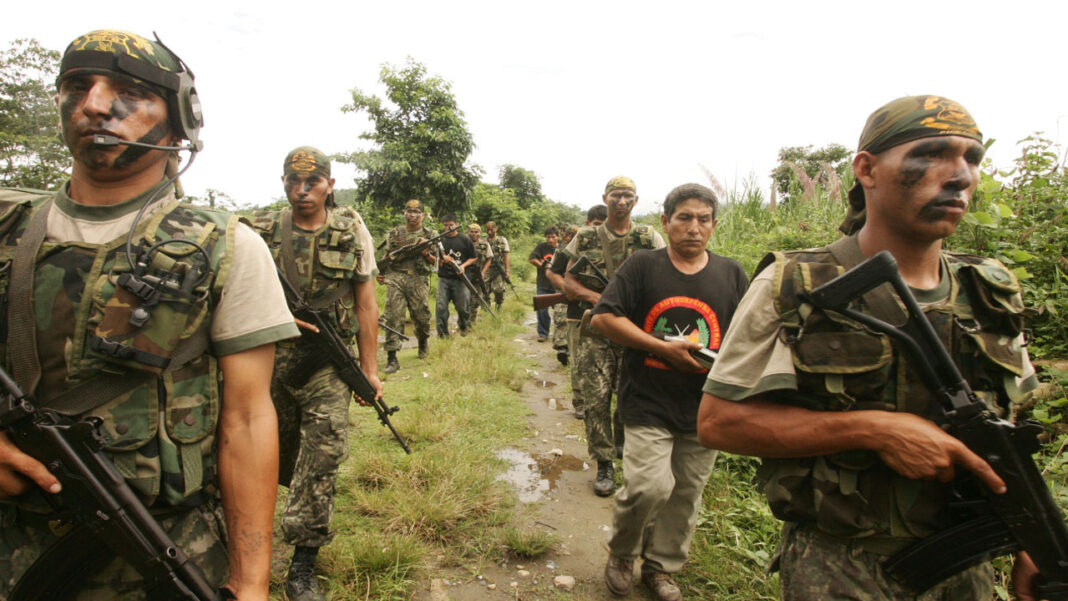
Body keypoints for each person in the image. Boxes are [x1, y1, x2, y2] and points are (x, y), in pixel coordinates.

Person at [697, 95, 1041, 601]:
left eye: (972, 158)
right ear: (867, 169)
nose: (959, 175)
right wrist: (873, 430)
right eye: (931, 154)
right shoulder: (796, 283)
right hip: (843, 565)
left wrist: (1034, 541)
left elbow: (1010, 435)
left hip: (967, 561)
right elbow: (718, 421)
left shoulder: (989, 290)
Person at [0, 30, 299, 601]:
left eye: (131, 92)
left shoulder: (226, 247)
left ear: (180, 119)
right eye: (77, 86)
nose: (94, 104)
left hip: (165, 546)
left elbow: (247, 419)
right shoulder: (7, 226)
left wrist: (253, 582)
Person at [593, 183, 747, 601]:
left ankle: (661, 567)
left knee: (686, 493)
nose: (693, 228)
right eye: (684, 218)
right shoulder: (643, 265)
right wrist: (661, 347)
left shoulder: (731, 273)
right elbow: (604, 319)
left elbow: (745, 336)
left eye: (703, 219)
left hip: (704, 406)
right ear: (666, 221)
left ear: (714, 225)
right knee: (649, 486)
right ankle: (623, 553)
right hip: (647, 399)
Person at [249, 146, 381, 601]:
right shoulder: (260, 229)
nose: (301, 191)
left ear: (329, 183)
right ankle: (247, 547)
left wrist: (369, 369)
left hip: (326, 361)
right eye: (292, 181)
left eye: (312, 182)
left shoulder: (351, 228)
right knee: (264, 455)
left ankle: (303, 560)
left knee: (323, 453)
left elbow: (366, 302)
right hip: (267, 358)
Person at [561, 177, 665, 496]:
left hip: (635, 331)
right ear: (605, 198)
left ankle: (623, 447)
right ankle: (604, 462)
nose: (621, 201)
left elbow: (665, 275)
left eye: (627, 196)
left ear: (636, 201)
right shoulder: (587, 236)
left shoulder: (648, 236)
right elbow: (568, 282)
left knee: (629, 397)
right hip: (595, 330)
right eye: (616, 195)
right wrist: (596, 299)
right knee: (596, 400)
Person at [549, 205, 606, 418]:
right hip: (578, 312)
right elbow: (553, 273)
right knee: (578, 359)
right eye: (596, 225)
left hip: (609, 315)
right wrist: (570, 289)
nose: (599, 230)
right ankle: (580, 402)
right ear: (588, 223)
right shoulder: (578, 243)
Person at [377, 199, 436, 373]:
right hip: (396, 277)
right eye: (409, 211)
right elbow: (388, 255)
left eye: (417, 212)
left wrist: (425, 252)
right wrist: (381, 272)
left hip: (417, 279)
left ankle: (423, 342)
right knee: (393, 315)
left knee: (421, 316)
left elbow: (435, 261)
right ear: (404, 213)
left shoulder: (430, 234)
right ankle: (392, 358)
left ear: (423, 215)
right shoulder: (395, 233)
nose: (412, 215)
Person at [436, 213, 477, 337]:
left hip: (461, 279)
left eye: (451, 225)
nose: (448, 228)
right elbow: (436, 261)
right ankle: (443, 335)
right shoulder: (440, 241)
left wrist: (463, 266)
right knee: (441, 307)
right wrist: (443, 259)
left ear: (457, 225)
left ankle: (464, 328)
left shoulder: (464, 239)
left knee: (463, 307)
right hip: (444, 278)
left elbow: (473, 258)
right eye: (446, 226)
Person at [551, 225, 580, 364]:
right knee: (561, 318)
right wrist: (565, 288)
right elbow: (553, 272)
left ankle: (567, 349)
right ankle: (562, 348)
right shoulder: (562, 252)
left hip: (580, 291)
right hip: (564, 290)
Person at [529, 226, 560, 342]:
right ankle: (543, 333)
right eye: (548, 237)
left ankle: (559, 337)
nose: (550, 240)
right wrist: (543, 265)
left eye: (553, 237)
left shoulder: (562, 248)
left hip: (558, 285)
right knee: (541, 309)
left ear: (558, 236)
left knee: (559, 312)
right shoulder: (541, 247)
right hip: (543, 284)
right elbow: (532, 259)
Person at [466, 222, 493, 324]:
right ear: (468, 232)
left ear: (480, 233)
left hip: (478, 276)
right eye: (471, 232)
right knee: (463, 299)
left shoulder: (484, 245)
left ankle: (470, 322)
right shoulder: (465, 243)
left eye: (476, 232)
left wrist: (482, 272)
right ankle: (463, 321)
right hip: (465, 274)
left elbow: (489, 259)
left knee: (474, 299)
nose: (474, 234)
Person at [484, 221, 511, 311]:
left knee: (499, 289)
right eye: (488, 230)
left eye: (491, 229)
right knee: (484, 289)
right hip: (487, 268)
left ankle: (498, 305)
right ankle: (486, 308)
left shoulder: (502, 240)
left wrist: (507, 270)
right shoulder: (484, 241)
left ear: (496, 229)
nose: (489, 232)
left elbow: (506, 255)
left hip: (498, 268)